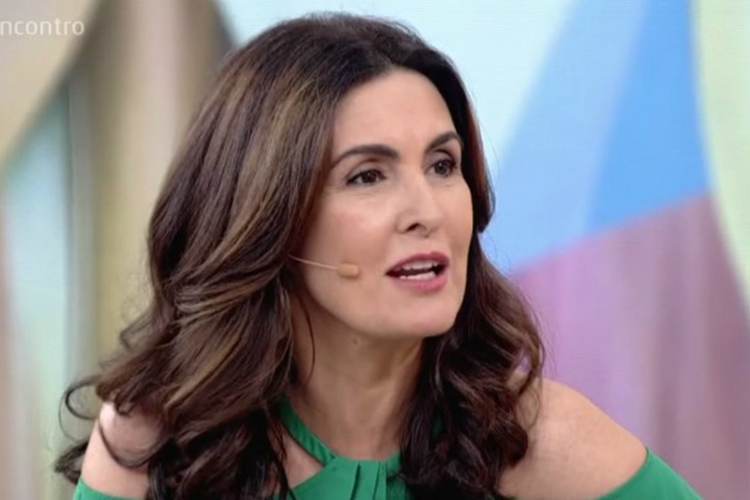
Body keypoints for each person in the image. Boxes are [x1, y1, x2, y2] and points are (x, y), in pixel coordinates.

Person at [55, 13, 702, 500]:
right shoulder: (155, 445)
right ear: (268, 215)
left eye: (443, 165)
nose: (427, 210)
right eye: (367, 176)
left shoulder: (538, 443)